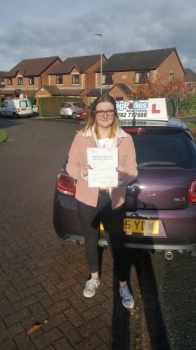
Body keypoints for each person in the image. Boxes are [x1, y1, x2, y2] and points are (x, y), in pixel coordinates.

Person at [66, 94, 138, 309]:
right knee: (90, 241)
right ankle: (94, 277)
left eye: (109, 111)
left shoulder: (126, 139)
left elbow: (133, 171)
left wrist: (124, 175)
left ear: (115, 113)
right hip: (87, 198)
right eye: (100, 111)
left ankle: (123, 285)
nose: (105, 115)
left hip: (114, 199)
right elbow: (70, 166)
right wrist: (82, 171)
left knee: (117, 244)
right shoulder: (82, 136)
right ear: (94, 114)